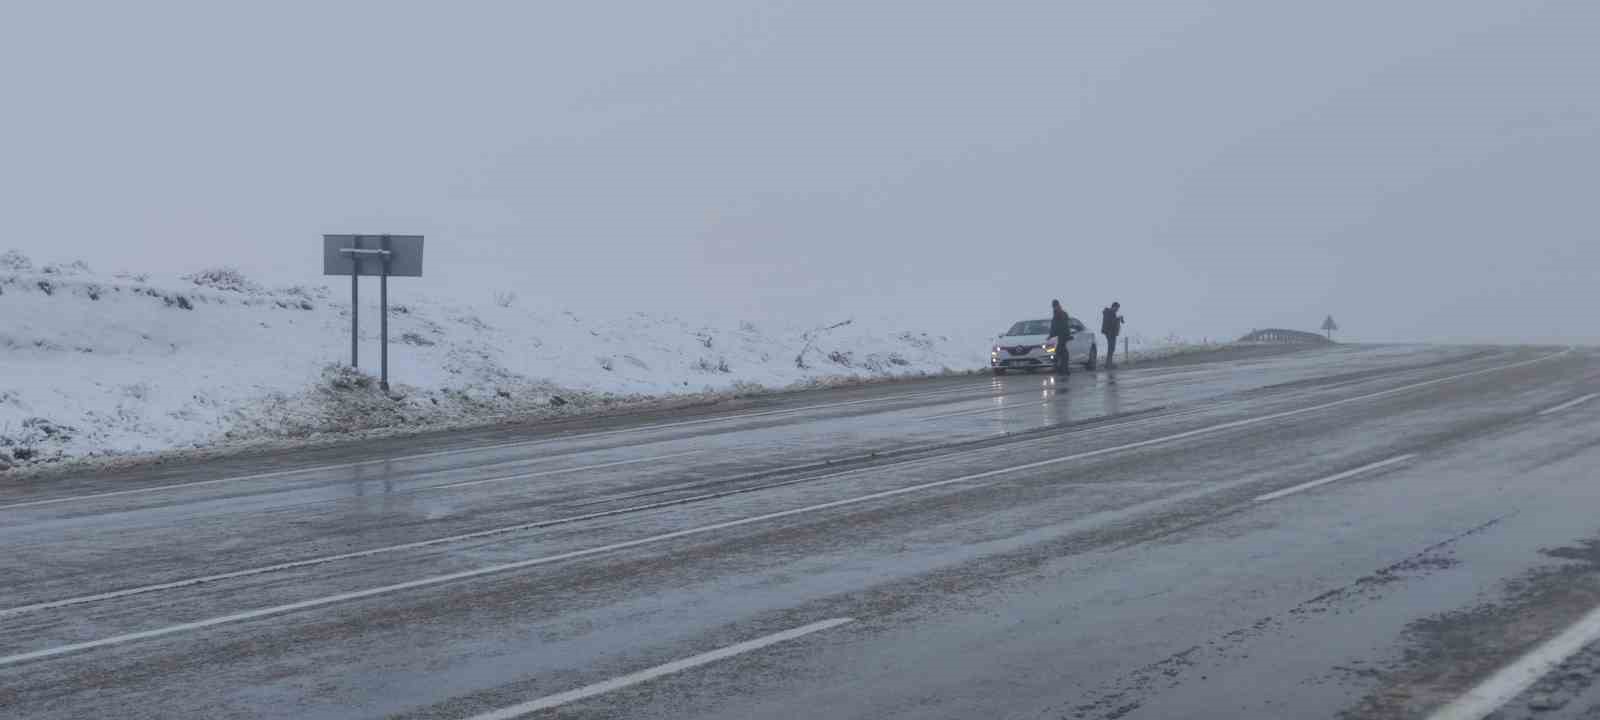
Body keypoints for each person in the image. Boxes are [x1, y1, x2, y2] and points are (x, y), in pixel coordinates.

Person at [1049, 299, 1073, 376]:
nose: (1054, 307)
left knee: (1061, 353)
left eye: (1055, 306)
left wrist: (1066, 335)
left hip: (1061, 337)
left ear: (1057, 305)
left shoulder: (1060, 314)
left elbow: (1063, 326)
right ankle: (1062, 369)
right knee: (1061, 353)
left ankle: (1063, 370)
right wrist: (1051, 335)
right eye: (1053, 306)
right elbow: (1054, 326)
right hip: (1059, 337)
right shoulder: (1058, 313)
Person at [1101, 302, 1125, 368]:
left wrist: (1118, 319)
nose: (1117, 309)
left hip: (1111, 332)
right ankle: (1108, 364)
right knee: (1111, 348)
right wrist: (1119, 318)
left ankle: (1109, 363)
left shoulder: (1110, 312)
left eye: (1118, 308)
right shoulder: (1109, 312)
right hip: (1110, 332)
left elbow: (1112, 321)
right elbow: (1111, 322)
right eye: (1117, 308)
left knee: (1111, 348)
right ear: (1114, 307)